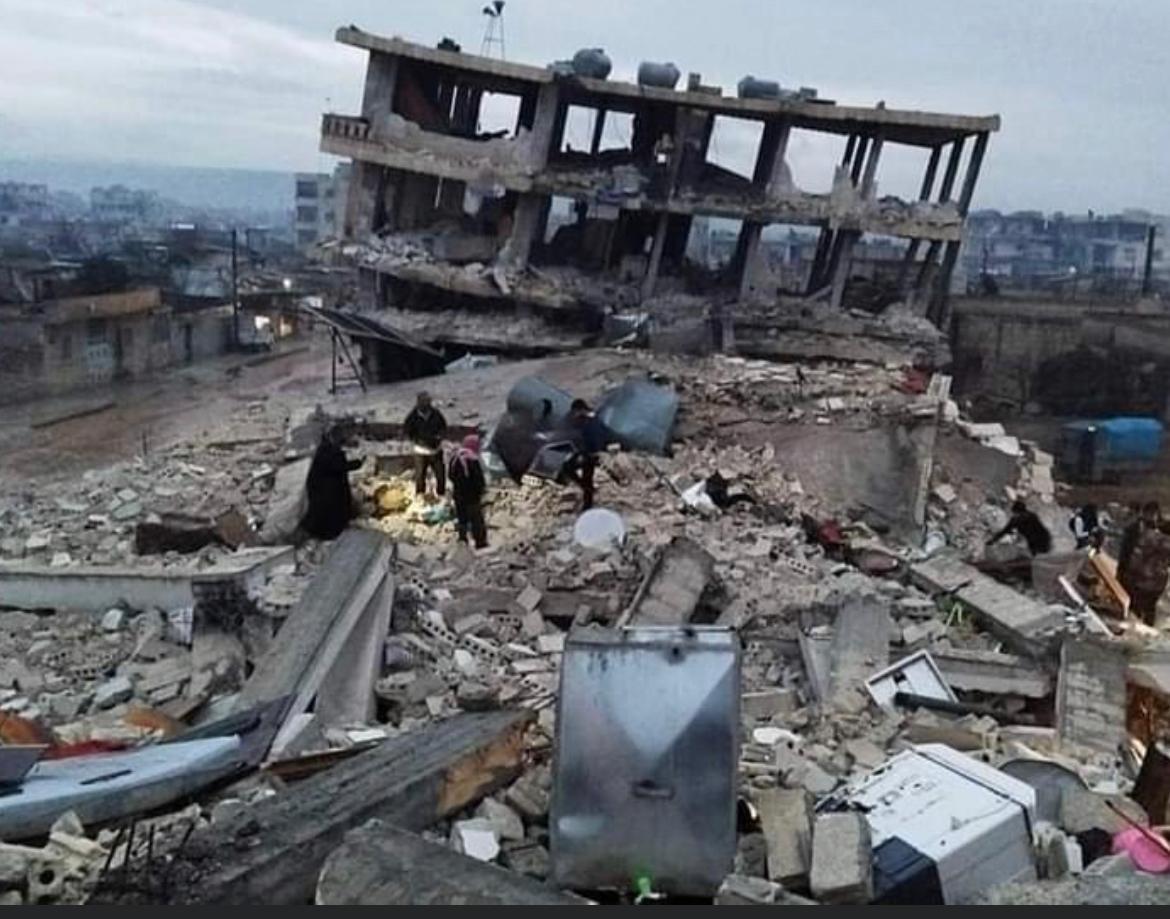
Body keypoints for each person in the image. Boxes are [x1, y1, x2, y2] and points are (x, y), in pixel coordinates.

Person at [301, 428, 362, 540]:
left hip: (328, 493)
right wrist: (357, 463)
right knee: (329, 517)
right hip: (327, 494)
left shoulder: (326, 450)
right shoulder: (328, 452)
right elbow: (337, 466)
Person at [1119, 502, 1170, 625]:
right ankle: (1148, 630)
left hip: (1142, 580)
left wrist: (1125, 574)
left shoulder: (1149, 538)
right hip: (1159, 582)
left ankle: (1134, 630)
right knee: (1150, 608)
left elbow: (1136, 558)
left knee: (1135, 607)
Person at [562, 399, 607, 511]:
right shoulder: (582, 419)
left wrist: (592, 453)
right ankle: (586, 490)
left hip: (590, 453)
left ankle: (588, 503)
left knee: (587, 477)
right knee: (569, 469)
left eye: (576, 412)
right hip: (582, 451)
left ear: (581, 410)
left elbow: (594, 438)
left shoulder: (591, 420)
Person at [404, 392, 447, 498]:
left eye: (428, 402)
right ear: (419, 403)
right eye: (424, 402)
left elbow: (443, 427)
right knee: (420, 476)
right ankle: (420, 497)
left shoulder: (435, 413)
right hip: (420, 451)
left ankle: (441, 495)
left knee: (440, 475)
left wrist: (439, 437)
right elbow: (408, 432)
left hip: (436, 450)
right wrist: (419, 441)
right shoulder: (412, 417)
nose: (427, 405)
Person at [448, 434, 488, 549]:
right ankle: (480, 543)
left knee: (462, 520)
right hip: (472, 496)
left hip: (458, 495)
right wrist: (481, 491)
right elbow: (478, 479)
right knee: (476, 520)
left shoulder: (455, 458)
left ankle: (462, 542)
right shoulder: (472, 459)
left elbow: (451, 476)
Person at [987, 500, 1052, 557]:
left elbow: (1004, 531)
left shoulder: (1020, 519)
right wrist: (993, 540)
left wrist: (993, 540)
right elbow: (1005, 531)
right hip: (1042, 539)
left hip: (1039, 541)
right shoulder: (1030, 516)